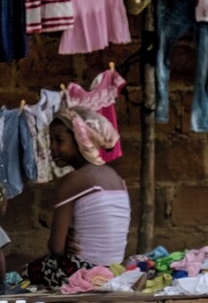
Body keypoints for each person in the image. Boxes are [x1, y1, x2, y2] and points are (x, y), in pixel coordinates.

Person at [23, 105, 131, 287]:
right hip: (112, 270)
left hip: (80, 271)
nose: (52, 148)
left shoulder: (73, 180)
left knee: (14, 262)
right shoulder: (117, 178)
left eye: (59, 140)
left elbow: (56, 248)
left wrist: (62, 242)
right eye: (51, 141)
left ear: (80, 140)